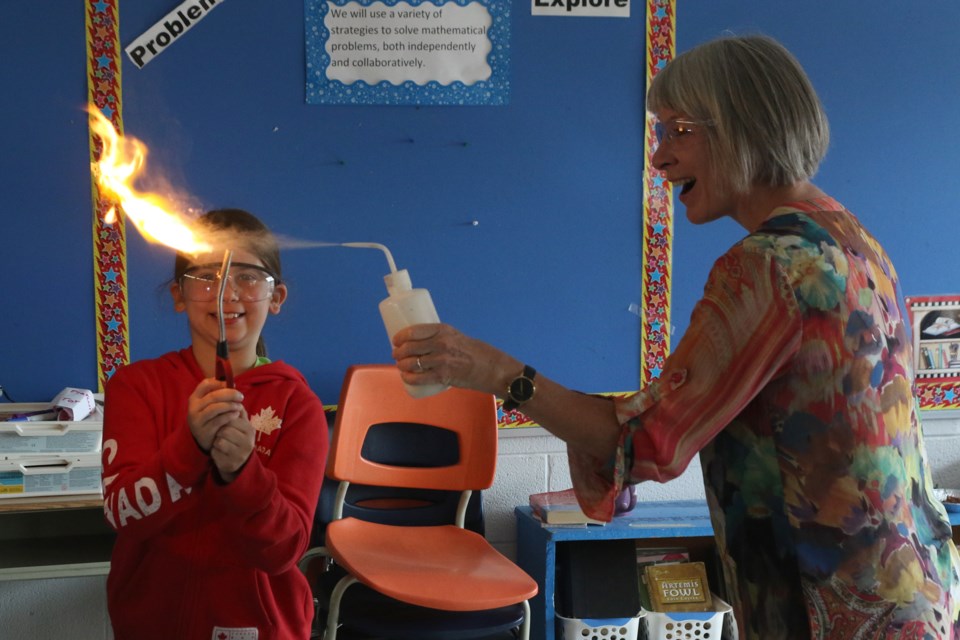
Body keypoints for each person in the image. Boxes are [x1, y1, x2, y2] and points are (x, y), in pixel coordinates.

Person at [389, 35, 960, 639]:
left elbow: (642, 444)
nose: (659, 160)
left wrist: (496, 371)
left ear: (747, 125)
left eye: (679, 131)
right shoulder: (850, 238)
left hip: (835, 610)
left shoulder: (768, 265)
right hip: (913, 590)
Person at [101, 209, 329, 640]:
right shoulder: (137, 386)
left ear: (275, 297)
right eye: (206, 276)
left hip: (257, 626)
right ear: (179, 295)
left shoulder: (297, 405)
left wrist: (242, 471)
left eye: (246, 276)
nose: (226, 293)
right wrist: (189, 449)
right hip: (151, 624)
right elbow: (122, 516)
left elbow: (284, 549)